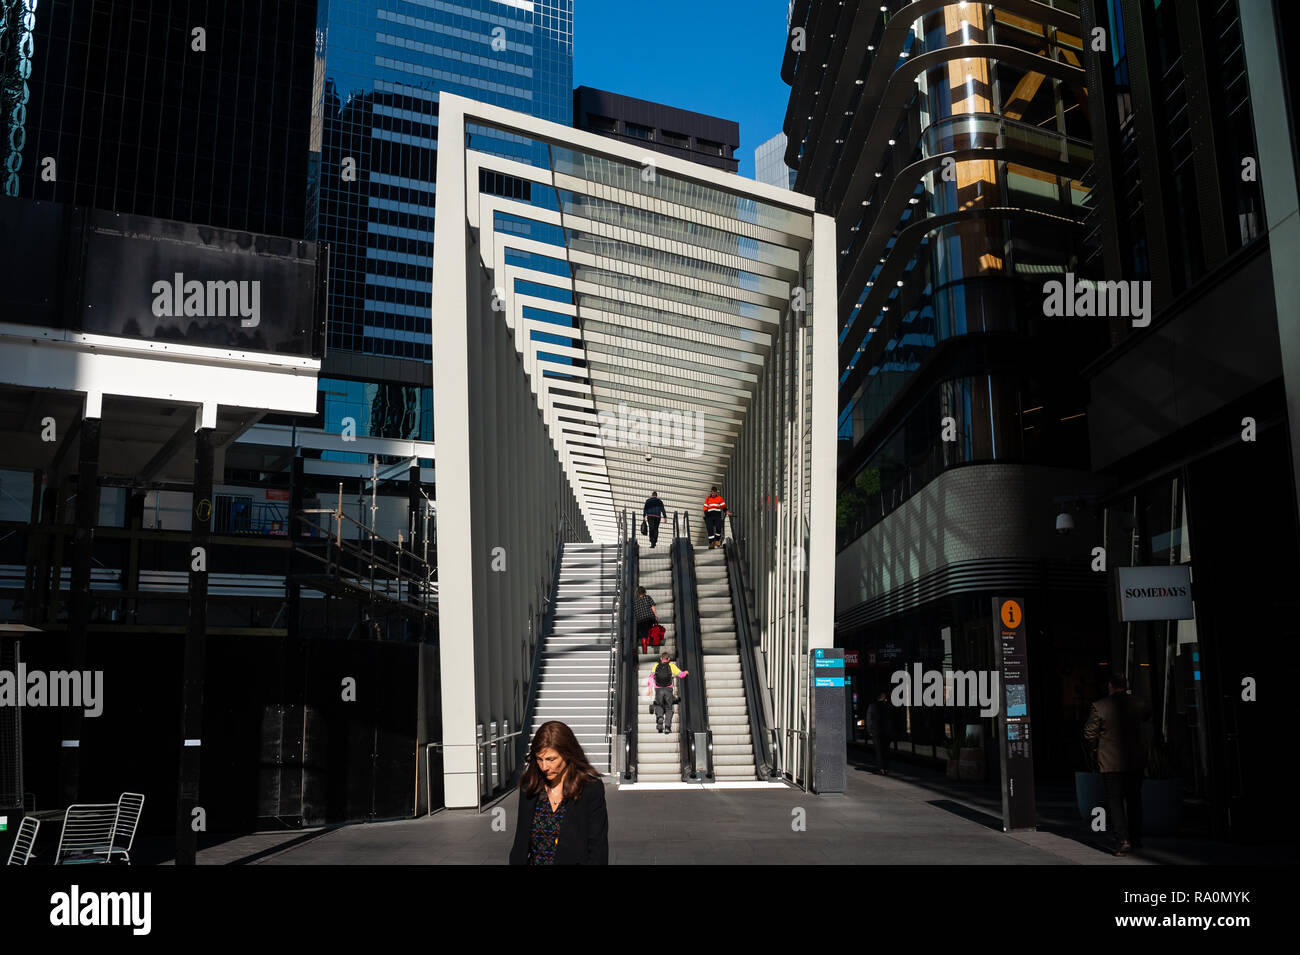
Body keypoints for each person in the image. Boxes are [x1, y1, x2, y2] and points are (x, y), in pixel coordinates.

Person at [509, 721, 608, 865]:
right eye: (539, 759)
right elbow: (520, 843)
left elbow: (598, 848)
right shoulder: (530, 786)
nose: (544, 767)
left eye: (551, 759)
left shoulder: (590, 789)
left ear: (567, 754)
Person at [1082, 673, 1150, 856]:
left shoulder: (1100, 706)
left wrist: (1094, 749)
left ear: (1110, 685)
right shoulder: (1138, 704)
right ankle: (1136, 838)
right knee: (1134, 798)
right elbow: (1146, 717)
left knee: (1115, 800)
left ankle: (1122, 840)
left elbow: (1089, 733)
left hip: (1110, 761)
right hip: (1135, 760)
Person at [647, 652, 688, 733]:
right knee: (669, 708)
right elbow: (681, 675)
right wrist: (686, 672)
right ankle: (667, 727)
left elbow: (651, 677)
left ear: (661, 658)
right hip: (668, 689)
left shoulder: (656, 665)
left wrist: (650, 689)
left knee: (658, 705)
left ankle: (660, 717)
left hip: (658, 689)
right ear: (668, 659)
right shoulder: (671, 665)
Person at [865, 691, 893, 774]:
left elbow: (868, 719)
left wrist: (869, 730)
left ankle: (881, 768)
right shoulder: (889, 706)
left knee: (879, 751)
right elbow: (893, 719)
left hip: (876, 732)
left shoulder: (872, 706)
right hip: (887, 732)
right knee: (886, 750)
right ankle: (886, 768)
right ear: (884, 698)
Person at [633, 586, 658, 654]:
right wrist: (656, 615)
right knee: (650, 629)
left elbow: (634, 611)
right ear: (644, 591)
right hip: (649, 618)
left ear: (637, 593)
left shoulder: (635, 601)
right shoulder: (648, 597)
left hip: (640, 620)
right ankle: (649, 639)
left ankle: (644, 650)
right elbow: (652, 606)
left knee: (643, 634)